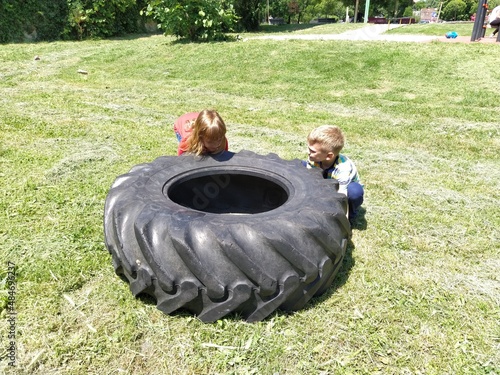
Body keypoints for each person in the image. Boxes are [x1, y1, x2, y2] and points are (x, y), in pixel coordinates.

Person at [302, 125, 364, 223]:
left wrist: (343, 225)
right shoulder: (314, 159)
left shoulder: (343, 169)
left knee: (354, 192)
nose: (308, 152)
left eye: (312, 151)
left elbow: (342, 199)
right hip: (326, 183)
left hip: (342, 189)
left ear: (329, 156)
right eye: (309, 149)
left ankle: (351, 216)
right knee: (301, 166)